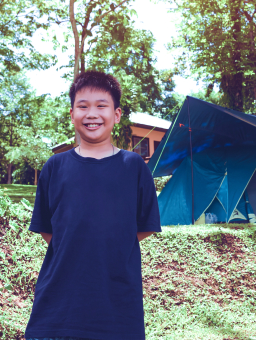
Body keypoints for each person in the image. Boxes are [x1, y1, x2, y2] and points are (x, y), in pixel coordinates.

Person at [24, 70, 162, 340]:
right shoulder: (54, 167)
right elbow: (47, 229)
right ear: (72, 114)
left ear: (117, 114)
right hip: (58, 303)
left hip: (118, 303)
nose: (92, 114)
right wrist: (77, 246)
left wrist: (108, 246)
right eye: (83, 106)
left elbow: (144, 226)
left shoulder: (133, 166)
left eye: (102, 106)